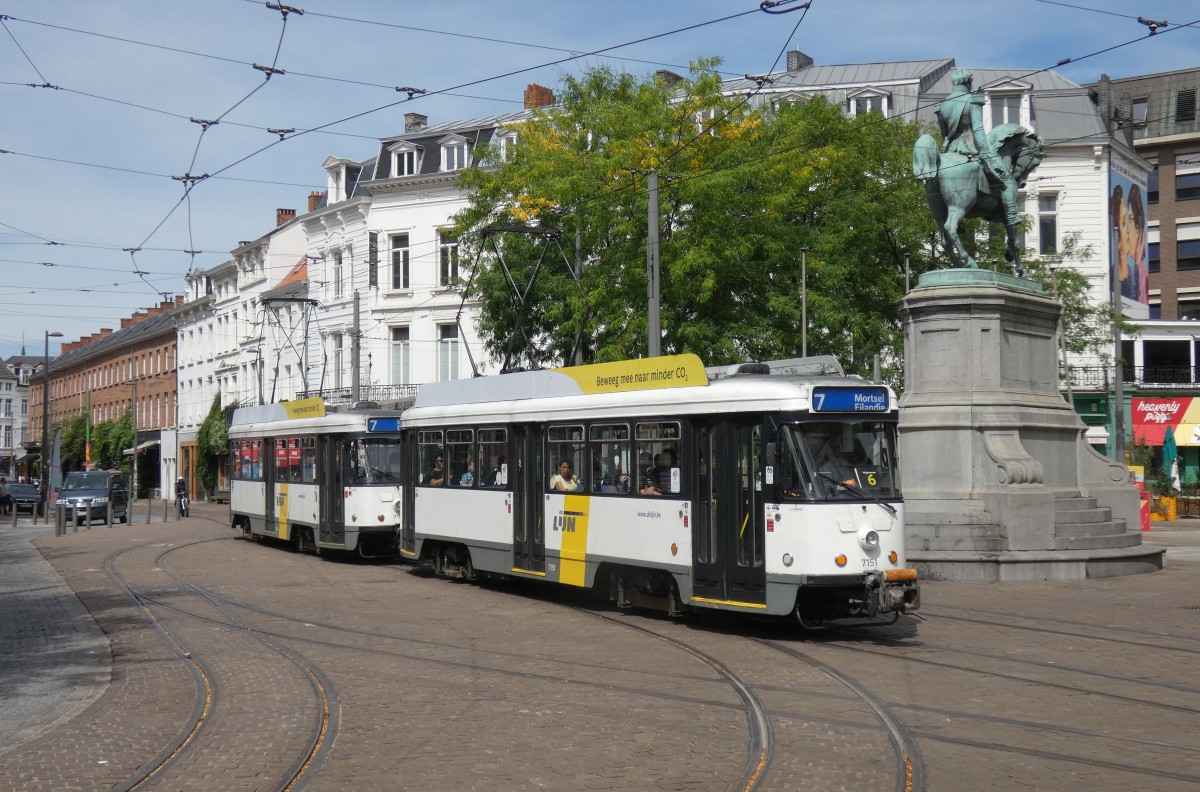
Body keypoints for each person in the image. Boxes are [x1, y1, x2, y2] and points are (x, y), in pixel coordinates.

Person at [935, 68, 1019, 231]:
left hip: (951, 151)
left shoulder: (942, 106)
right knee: (1007, 179)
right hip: (970, 148)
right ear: (968, 82)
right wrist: (987, 153)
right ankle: (1011, 216)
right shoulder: (972, 101)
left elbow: (945, 135)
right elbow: (978, 131)